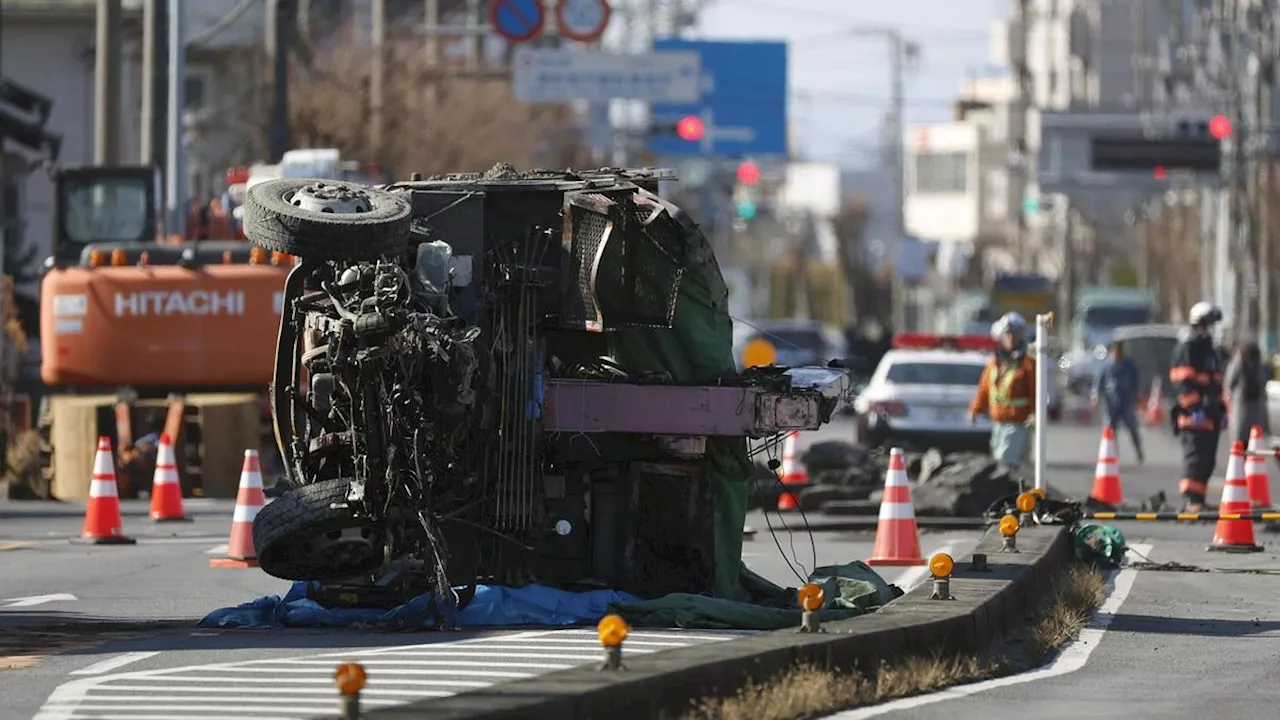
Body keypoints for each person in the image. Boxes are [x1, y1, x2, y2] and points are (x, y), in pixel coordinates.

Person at [1169, 301, 1226, 512]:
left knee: (1207, 459)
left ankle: (1199, 499)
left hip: (1210, 413)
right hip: (1194, 414)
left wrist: (1221, 408)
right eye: (1207, 324)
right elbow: (1182, 380)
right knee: (1195, 457)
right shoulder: (1189, 347)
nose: (1210, 329)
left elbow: (1215, 381)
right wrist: (1195, 408)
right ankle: (1190, 499)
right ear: (1198, 324)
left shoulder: (1209, 349)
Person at [969, 312, 1037, 471]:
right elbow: (985, 389)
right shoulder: (995, 362)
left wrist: (1035, 413)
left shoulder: (1028, 363)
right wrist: (976, 409)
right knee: (1000, 461)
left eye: (1015, 334)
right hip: (998, 422)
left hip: (1018, 422)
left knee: (1006, 461)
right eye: (1007, 334)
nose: (1011, 338)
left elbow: (1035, 390)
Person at [1091, 340, 1145, 464]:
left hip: (1126, 401)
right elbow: (1099, 381)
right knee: (1110, 430)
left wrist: (1138, 395)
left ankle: (1138, 451)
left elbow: (1136, 381)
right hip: (1112, 403)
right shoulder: (1107, 365)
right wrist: (1095, 395)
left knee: (1132, 428)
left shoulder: (1129, 365)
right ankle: (1112, 454)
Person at [1224, 340, 1270, 447]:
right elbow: (1264, 383)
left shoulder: (1238, 364)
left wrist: (1228, 398)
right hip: (1256, 409)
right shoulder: (1260, 366)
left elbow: (1229, 382)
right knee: (1254, 443)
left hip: (1241, 408)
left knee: (1239, 442)